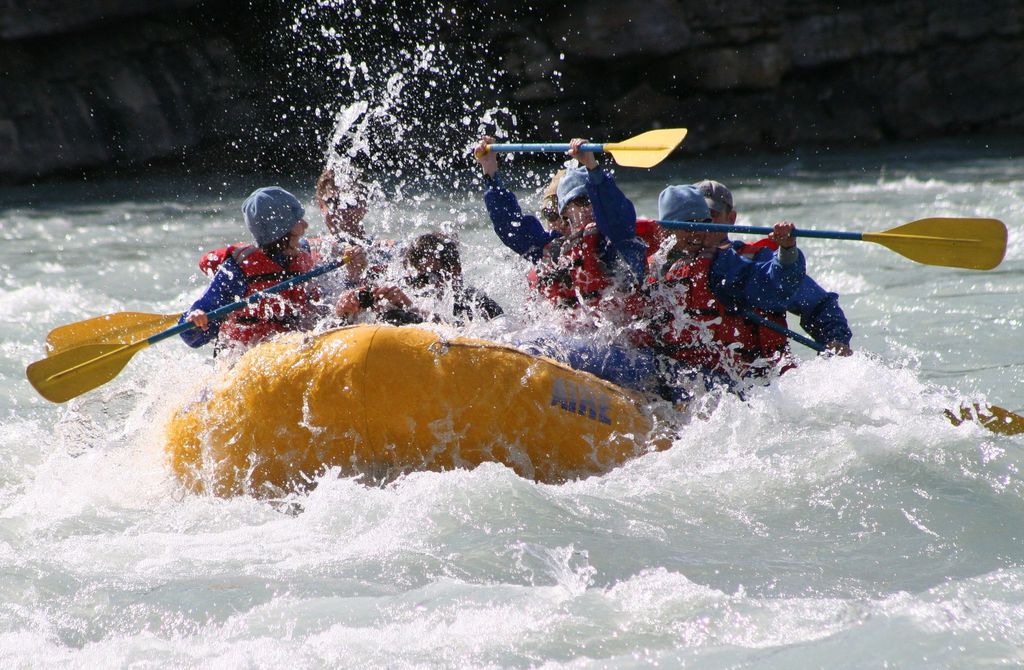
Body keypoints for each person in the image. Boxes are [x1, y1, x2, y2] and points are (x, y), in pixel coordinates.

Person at [633, 184, 807, 383]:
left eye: (704, 223)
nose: (697, 233)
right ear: (666, 230)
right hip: (670, 370)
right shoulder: (649, 266)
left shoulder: (723, 263)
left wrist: (787, 251)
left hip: (724, 378)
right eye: (689, 225)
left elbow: (774, 287)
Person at [473, 136, 647, 314]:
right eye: (581, 201)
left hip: (628, 326)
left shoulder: (616, 238)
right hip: (575, 329)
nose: (589, 207)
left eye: (593, 200)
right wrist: (489, 170)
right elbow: (510, 226)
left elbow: (613, 211)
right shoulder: (553, 249)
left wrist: (592, 166)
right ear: (565, 211)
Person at [692, 179, 853, 356]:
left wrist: (834, 339)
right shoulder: (669, 264)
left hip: (757, 369)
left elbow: (818, 305)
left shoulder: (756, 261)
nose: (701, 222)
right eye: (694, 215)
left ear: (731, 219)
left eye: (711, 215)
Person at [180, 186, 320, 352]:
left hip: (294, 344)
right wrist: (196, 320)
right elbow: (190, 336)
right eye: (297, 220)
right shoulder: (237, 271)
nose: (305, 225)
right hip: (248, 353)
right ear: (280, 233)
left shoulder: (303, 251)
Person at [402, 232, 503, 325]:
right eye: (416, 280)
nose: (423, 285)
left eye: (431, 277)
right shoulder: (411, 302)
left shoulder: (478, 303)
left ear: (455, 272)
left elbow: (504, 330)